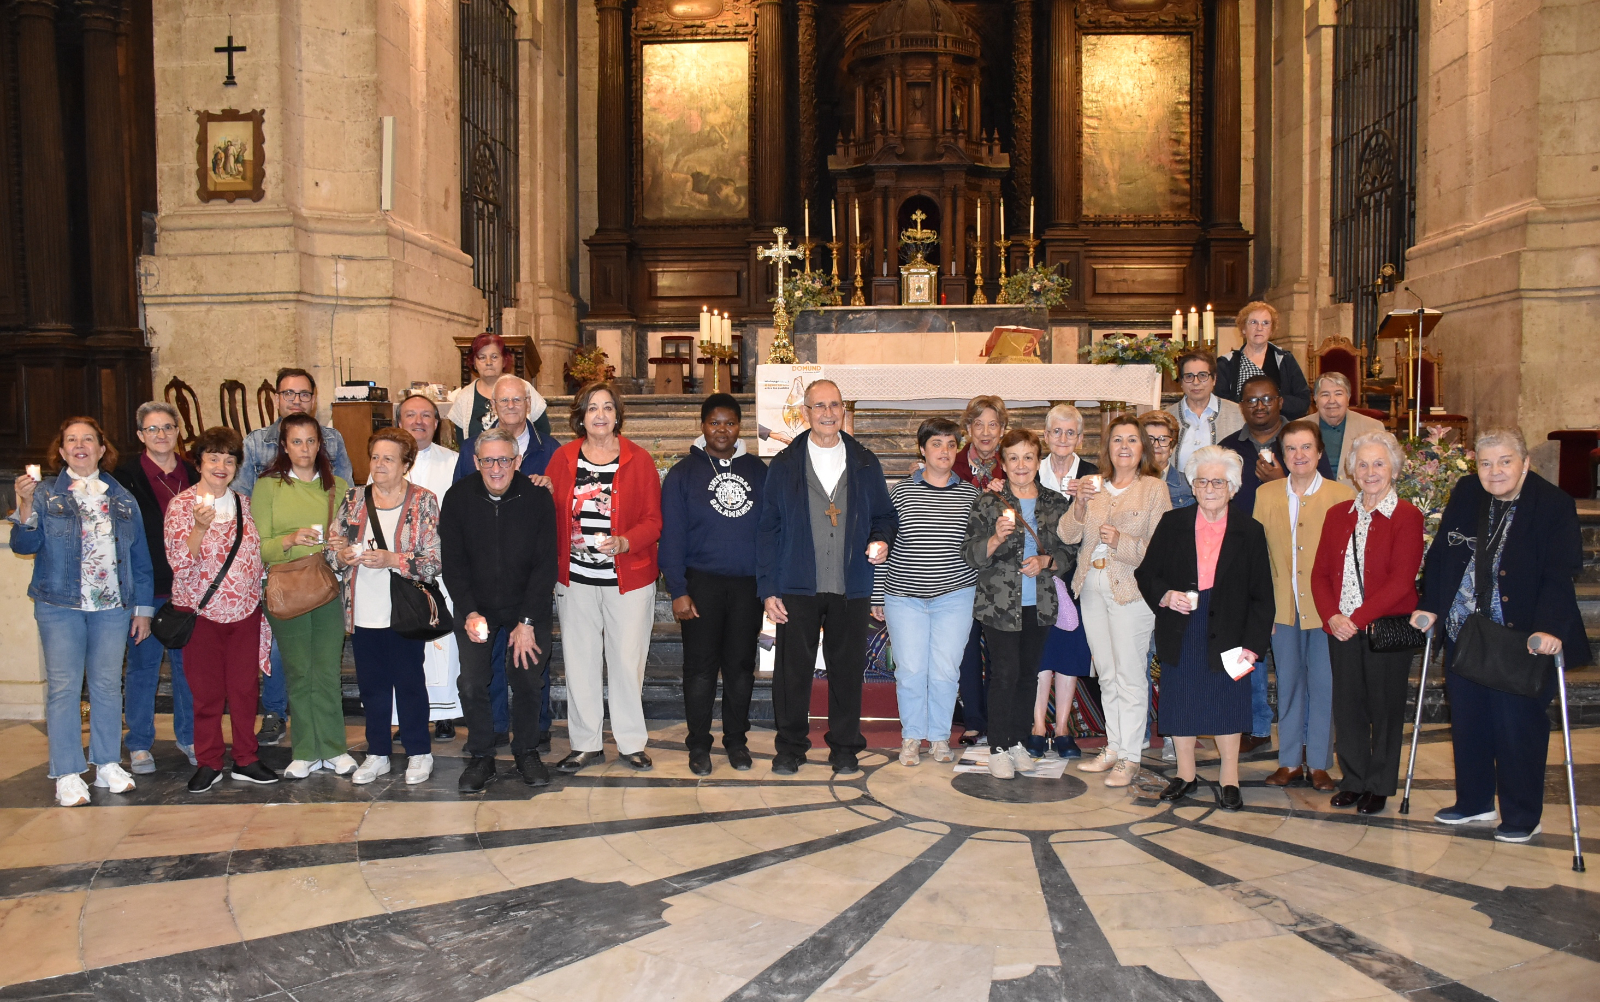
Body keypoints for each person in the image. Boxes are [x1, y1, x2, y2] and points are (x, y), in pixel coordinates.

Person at [1411, 428, 1590, 843]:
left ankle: (1523, 813)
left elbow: (1559, 573)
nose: (1495, 472)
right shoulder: (1468, 491)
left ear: (1525, 462)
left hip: (1521, 634)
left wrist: (1549, 628)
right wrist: (1431, 604)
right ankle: (1474, 802)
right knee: (1470, 719)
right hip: (1466, 629)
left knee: (1517, 725)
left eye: (1505, 462)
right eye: (1486, 463)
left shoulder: (1553, 504)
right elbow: (1441, 554)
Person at [9, 418, 154, 807]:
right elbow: (24, 544)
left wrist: (142, 608)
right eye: (71, 440)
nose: (80, 445)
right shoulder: (43, 495)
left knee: (107, 685)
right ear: (60, 451)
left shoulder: (123, 497)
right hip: (60, 606)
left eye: (88, 439)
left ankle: (106, 762)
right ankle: (68, 772)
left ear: (102, 449)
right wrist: (24, 506)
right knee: (64, 688)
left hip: (111, 606)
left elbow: (140, 559)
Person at [757, 379, 896, 776]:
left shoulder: (865, 462)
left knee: (847, 669)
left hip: (850, 584)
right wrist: (768, 589)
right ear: (806, 413)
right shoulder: (785, 464)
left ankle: (846, 746)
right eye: (819, 406)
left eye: (835, 405)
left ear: (843, 412)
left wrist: (881, 541)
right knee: (792, 670)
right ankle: (790, 747)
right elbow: (768, 528)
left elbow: (885, 518)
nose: (829, 413)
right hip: (797, 583)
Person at [1137, 446, 1274, 810]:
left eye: (1218, 481)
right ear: (1192, 486)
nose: (1209, 488)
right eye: (1202, 481)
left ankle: (1230, 778)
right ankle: (1185, 774)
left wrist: (1253, 646)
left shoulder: (1250, 530)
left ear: (1232, 487)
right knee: (1181, 702)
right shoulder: (1173, 523)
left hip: (1230, 628)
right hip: (1182, 624)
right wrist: (1166, 595)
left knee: (1227, 704)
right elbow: (1147, 574)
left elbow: (1262, 596)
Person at [236, 367, 354, 749]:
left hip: (327, 585)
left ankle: (334, 749)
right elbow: (259, 547)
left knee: (326, 673)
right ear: (284, 446)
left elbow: (354, 540)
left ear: (321, 444)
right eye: (296, 442)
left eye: (311, 441)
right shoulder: (268, 486)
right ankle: (304, 750)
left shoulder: (341, 486)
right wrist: (289, 539)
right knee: (299, 673)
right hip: (285, 585)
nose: (304, 448)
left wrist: (341, 546)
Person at [547, 383, 662, 773]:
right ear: (580, 415)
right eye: (592, 408)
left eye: (607, 408)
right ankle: (585, 744)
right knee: (580, 662)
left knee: (627, 663)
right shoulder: (562, 458)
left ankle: (631, 742)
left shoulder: (638, 460)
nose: (600, 415)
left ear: (617, 415)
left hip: (628, 579)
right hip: (576, 579)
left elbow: (654, 521)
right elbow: (547, 512)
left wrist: (626, 541)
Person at [1311, 430, 1425, 815]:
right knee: (1347, 707)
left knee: (1385, 709)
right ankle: (1355, 779)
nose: (1371, 471)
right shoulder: (1337, 514)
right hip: (1341, 628)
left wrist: (1356, 619)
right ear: (1352, 471)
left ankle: (1379, 784)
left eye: (1379, 463)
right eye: (1363, 464)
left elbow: (1401, 580)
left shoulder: (1407, 516)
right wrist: (1332, 617)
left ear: (1393, 467)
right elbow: (1320, 575)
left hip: (1384, 630)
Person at [439, 427, 558, 791]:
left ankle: (526, 750)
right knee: (473, 682)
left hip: (526, 605)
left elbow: (545, 565)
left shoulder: (537, 498)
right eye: (488, 460)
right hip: (477, 606)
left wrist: (526, 621)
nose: (496, 468)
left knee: (526, 678)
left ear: (517, 461)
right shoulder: (458, 497)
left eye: (504, 459)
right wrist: (471, 612)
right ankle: (481, 756)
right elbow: (453, 564)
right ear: (476, 462)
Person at [1058, 414, 1171, 788]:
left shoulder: (1154, 489)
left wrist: (1122, 540)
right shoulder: (1095, 485)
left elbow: (1162, 552)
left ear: (1144, 448)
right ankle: (1115, 745)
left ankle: (1131, 756)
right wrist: (1077, 505)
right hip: (1092, 586)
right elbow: (1068, 535)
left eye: (1132, 440)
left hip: (1131, 591)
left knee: (1130, 675)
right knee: (1106, 673)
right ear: (1107, 447)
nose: (1124, 446)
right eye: (1117, 440)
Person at [163, 427, 277, 792]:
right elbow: (180, 562)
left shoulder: (245, 505)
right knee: (207, 692)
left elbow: (258, 557)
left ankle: (246, 756)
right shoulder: (181, 506)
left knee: (244, 690)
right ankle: (210, 760)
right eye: (213, 458)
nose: (221, 466)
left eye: (229, 459)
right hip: (201, 615)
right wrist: (198, 528)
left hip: (245, 614)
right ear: (199, 462)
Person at [660, 393, 767, 775]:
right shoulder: (683, 473)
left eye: (730, 423)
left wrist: (769, 584)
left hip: (747, 585)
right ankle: (699, 744)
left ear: (740, 427)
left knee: (740, 668)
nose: (722, 430)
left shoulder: (758, 471)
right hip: (700, 583)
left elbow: (771, 532)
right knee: (701, 668)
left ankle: (736, 741)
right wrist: (678, 589)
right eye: (714, 423)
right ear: (702, 426)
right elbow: (671, 535)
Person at [331, 428, 443, 786]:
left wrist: (393, 558)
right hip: (363, 609)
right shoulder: (352, 499)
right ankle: (377, 752)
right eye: (375, 457)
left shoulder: (423, 500)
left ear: (405, 464)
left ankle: (418, 752)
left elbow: (435, 560)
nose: (379, 465)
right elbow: (331, 551)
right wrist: (342, 555)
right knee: (372, 686)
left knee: (410, 683)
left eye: (388, 459)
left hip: (404, 609)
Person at [963, 429, 1075, 779]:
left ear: (1038, 461)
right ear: (1003, 463)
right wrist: (995, 538)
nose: (1021, 465)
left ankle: (1017, 742)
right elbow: (970, 555)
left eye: (1028, 457)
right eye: (1013, 458)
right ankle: (997, 747)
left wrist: (1046, 562)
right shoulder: (987, 502)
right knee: (1004, 674)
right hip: (998, 605)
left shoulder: (1056, 503)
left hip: (1039, 604)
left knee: (1029, 675)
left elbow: (1069, 551)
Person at [872, 418, 980, 767]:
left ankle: (938, 739)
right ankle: (911, 736)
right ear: (922, 449)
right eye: (936, 444)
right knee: (911, 670)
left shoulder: (970, 494)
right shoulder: (901, 491)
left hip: (955, 596)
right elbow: (882, 542)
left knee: (946, 671)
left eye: (951, 444)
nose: (944, 451)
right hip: (904, 597)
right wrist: (877, 595)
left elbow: (977, 548)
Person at [1253, 420, 1353, 791]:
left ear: (1319, 452)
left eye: (1306, 448)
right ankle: (1290, 760)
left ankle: (1321, 763)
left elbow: (1348, 559)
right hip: (1283, 609)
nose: (1298, 455)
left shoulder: (1341, 495)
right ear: (1282, 454)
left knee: (1323, 684)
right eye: (1291, 449)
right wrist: (1264, 611)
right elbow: (1258, 556)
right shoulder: (1267, 495)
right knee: (1290, 683)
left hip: (1327, 610)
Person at [114, 401, 198, 773]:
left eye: (167, 427)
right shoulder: (123, 476)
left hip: (190, 585)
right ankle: (139, 743)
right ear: (140, 436)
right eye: (152, 429)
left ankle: (189, 736)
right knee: (143, 666)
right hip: (146, 585)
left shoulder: (195, 473)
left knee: (188, 668)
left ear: (178, 431)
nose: (161, 435)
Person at [395, 393, 464, 739]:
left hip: (441, 567)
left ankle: (445, 712)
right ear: (399, 421)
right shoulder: (387, 461)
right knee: (404, 642)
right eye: (411, 415)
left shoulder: (454, 462)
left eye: (426, 416)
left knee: (442, 642)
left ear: (437, 425)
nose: (418, 421)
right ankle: (408, 713)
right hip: (398, 571)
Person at [1032, 404, 1099, 760]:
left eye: (1070, 432)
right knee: (1041, 650)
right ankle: (1037, 726)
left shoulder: (1092, 476)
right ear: (1045, 436)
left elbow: (1098, 527)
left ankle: (1062, 731)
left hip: (1075, 574)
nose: (1062, 438)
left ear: (1081, 438)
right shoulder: (1030, 468)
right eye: (1056, 432)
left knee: (1070, 651)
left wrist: (1083, 501)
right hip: (1036, 573)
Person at [951, 395, 1007, 744]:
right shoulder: (950, 463)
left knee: (1001, 650)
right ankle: (973, 719)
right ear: (967, 429)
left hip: (1001, 574)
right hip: (960, 570)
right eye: (978, 424)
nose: (985, 432)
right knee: (967, 647)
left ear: (1003, 430)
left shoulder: (1015, 462)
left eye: (993, 425)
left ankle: (999, 720)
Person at [453, 374, 559, 484]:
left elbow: (561, 497)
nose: (511, 405)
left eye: (517, 399)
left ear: (528, 403)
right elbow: (458, 496)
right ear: (493, 405)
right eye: (504, 400)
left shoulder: (551, 450)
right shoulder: (470, 448)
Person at [446, 331, 552, 441]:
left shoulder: (524, 388)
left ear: (504, 360)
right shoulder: (464, 397)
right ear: (474, 362)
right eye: (482, 357)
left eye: (494, 357)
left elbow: (543, 432)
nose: (488, 362)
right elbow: (462, 442)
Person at [1216, 301, 1311, 418]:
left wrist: (1273, 402)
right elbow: (1220, 404)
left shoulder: (1285, 359)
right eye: (1253, 322)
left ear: (1271, 330)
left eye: (1265, 323)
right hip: (1240, 428)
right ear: (1243, 329)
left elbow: (1303, 402)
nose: (1259, 328)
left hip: (1280, 429)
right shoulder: (1226, 363)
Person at [1167, 351, 1245, 479]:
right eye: (1189, 376)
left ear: (1214, 379)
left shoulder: (1238, 414)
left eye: (1203, 375)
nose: (1196, 382)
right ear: (1181, 382)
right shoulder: (1168, 417)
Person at [1313, 373, 1385, 487]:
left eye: (1338, 394)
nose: (1332, 400)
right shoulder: (1299, 428)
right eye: (1325, 394)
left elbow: (1385, 472)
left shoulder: (1372, 428)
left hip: (1357, 497)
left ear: (1348, 397)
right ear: (1315, 399)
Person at [1139, 410, 1195, 509]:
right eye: (1149, 439)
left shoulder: (1189, 486)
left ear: (1171, 448)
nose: (1156, 445)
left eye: (1163, 439)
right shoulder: (1125, 482)